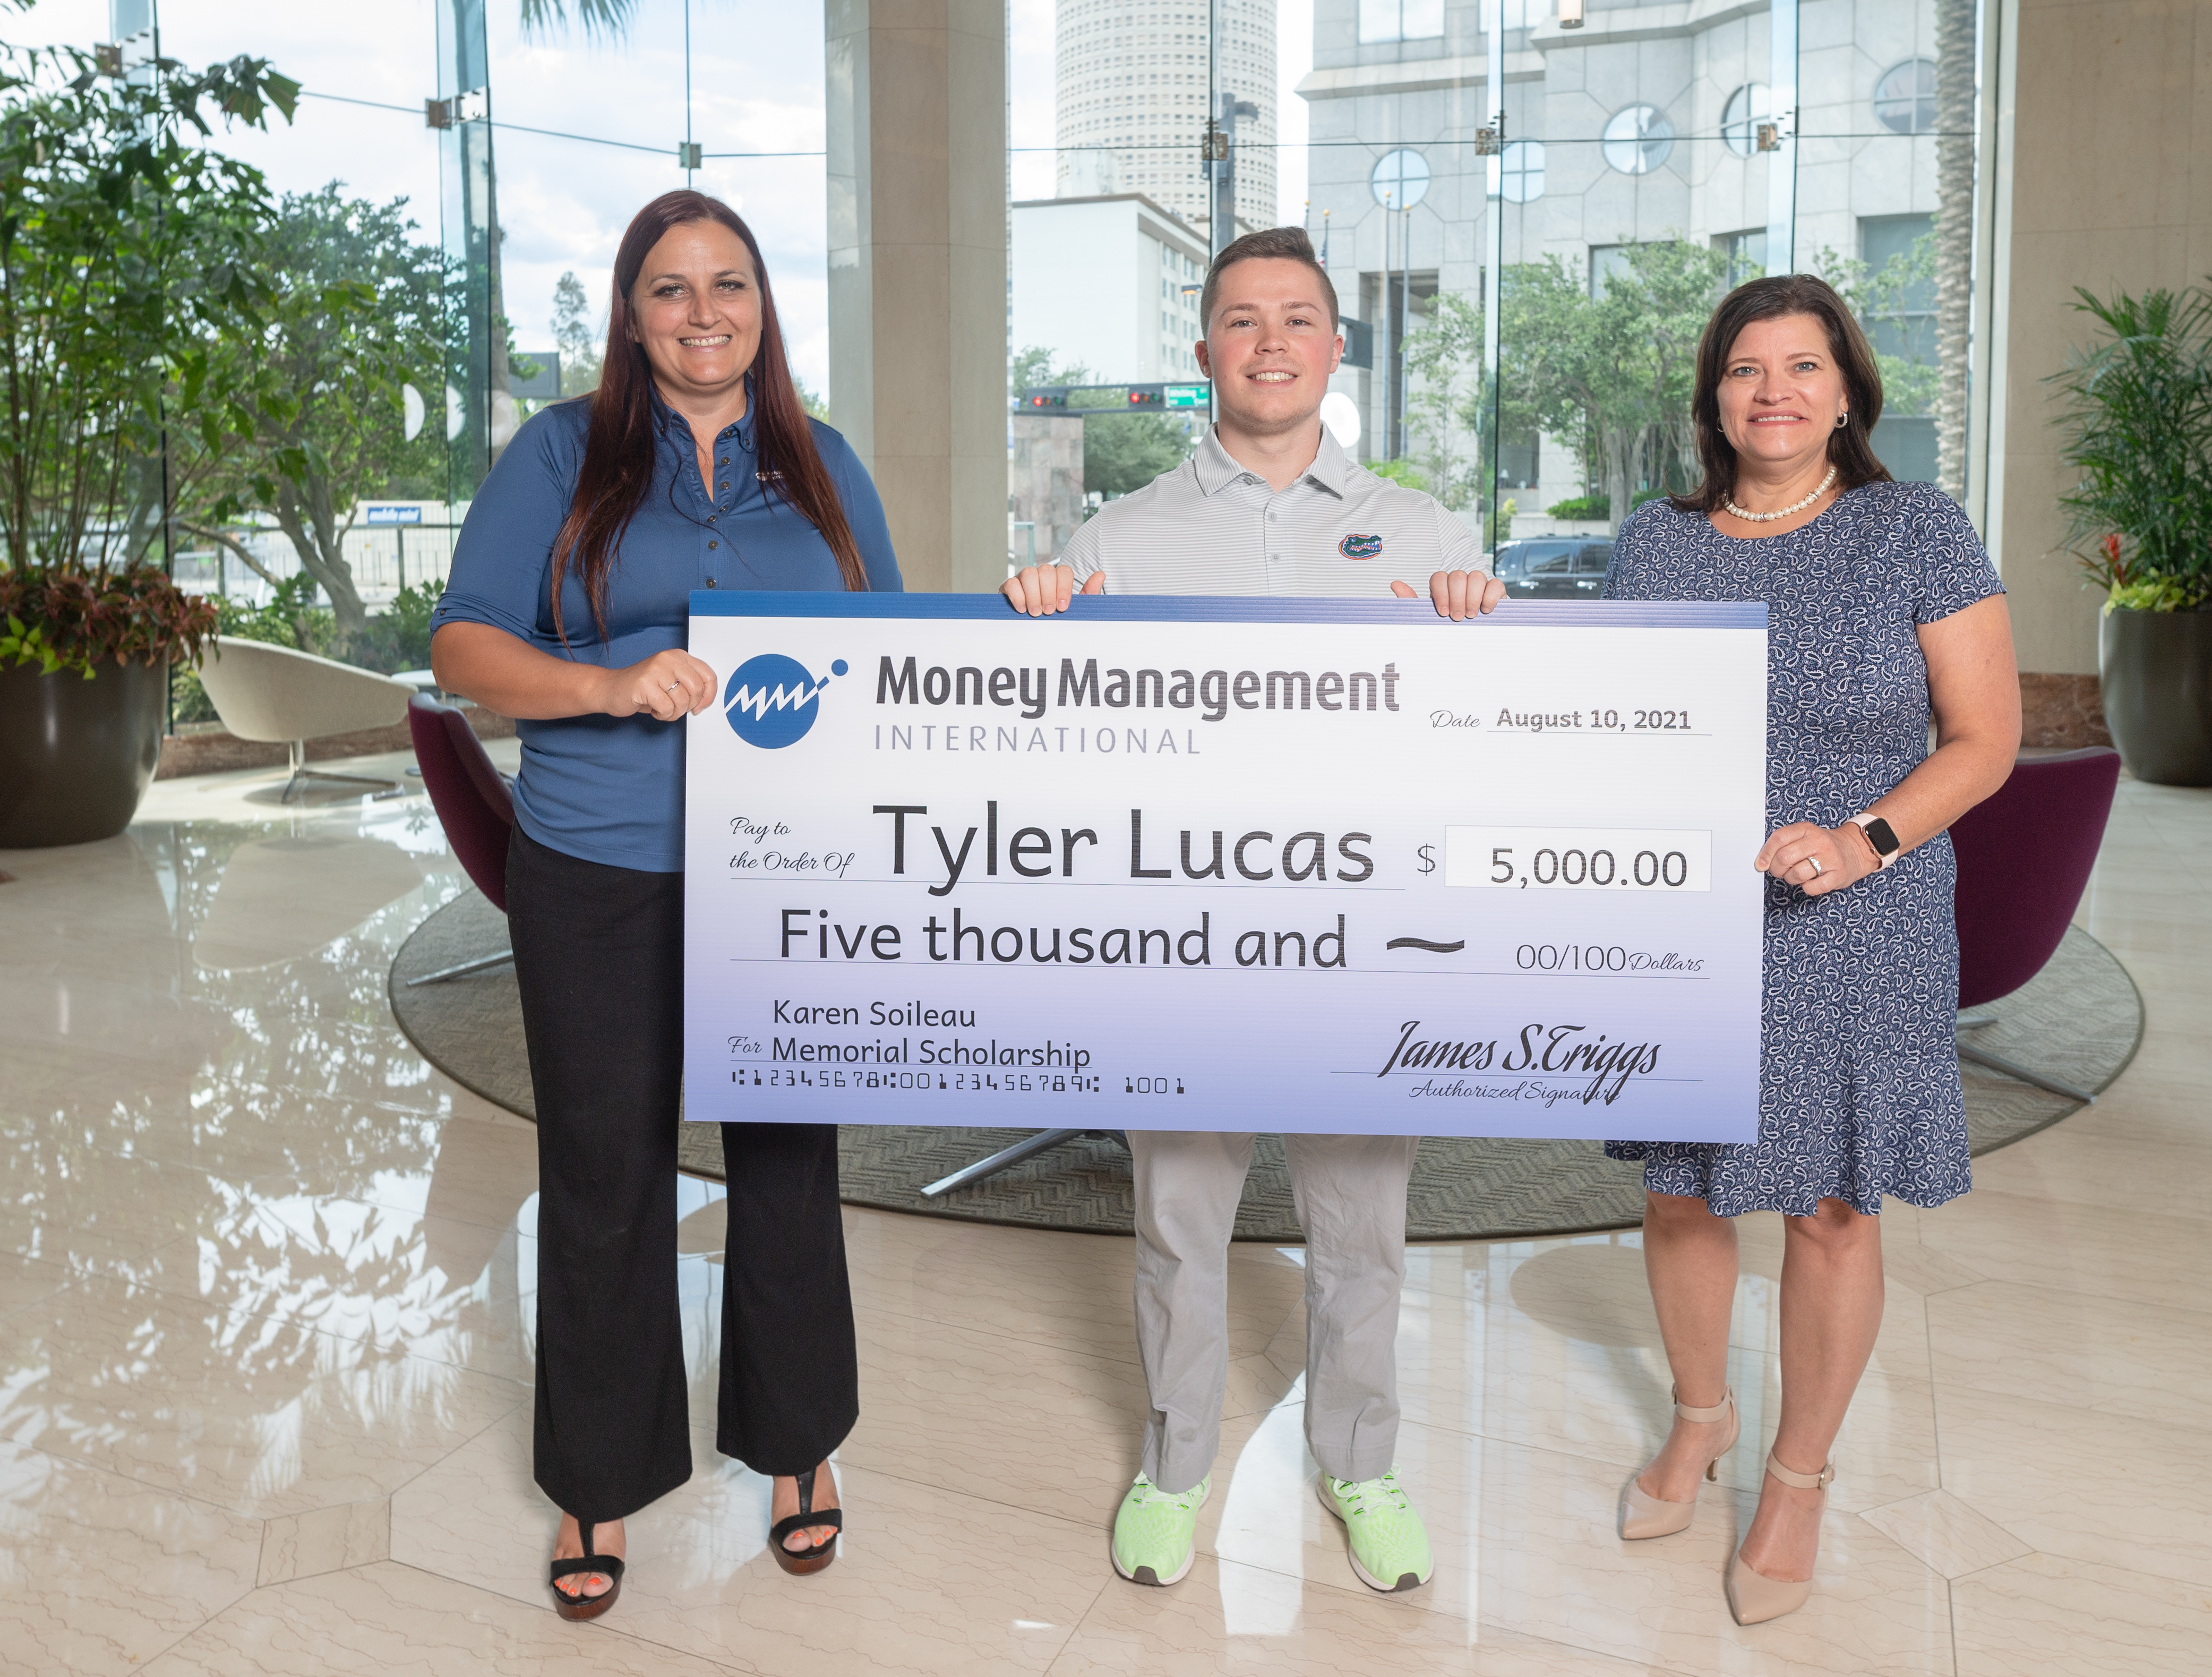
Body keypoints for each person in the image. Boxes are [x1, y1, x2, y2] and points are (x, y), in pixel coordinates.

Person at [1000, 224, 1503, 1596]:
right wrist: (1041, 615)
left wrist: (1480, 625)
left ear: (1335, 347)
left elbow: (1486, 736)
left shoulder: (1425, 533)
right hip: (1187, 943)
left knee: (1362, 1229)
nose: (1270, 342)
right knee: (1178, 1221)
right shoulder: (1123, 533)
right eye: (1241, 320)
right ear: (1206, 350)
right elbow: (1050, 736)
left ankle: (1363, 1458)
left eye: (1297, 318)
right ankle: (1175, 1463)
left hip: (1362, 940)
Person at [430, 190, 902, 1621]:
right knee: (601, 1168)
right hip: (598, 866)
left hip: (786, 870)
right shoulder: (561, 453)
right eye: (673, 288)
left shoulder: (821, 466)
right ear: (632, 316)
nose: (706, 311)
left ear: (765, 309)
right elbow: (462, 646)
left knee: (784, 1158)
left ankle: (799, 1444)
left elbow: (890, 655)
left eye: (733, 285)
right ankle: (596, 1475)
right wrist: (607, 680)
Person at [1597, 273, 2019, 1625]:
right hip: (1686, 913)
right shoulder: (1652, 543)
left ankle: (1797, 1474)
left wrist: (1861, 839)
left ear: (1845, 389)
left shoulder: (1916, 531)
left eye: (1800, 365)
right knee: (1681, 1190)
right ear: (1713, 396)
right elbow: (1594, 723)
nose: (1770, 390)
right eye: (1743, 369)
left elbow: (1984, 740)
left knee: (1828, 1205)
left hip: (1860, 913)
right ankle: (1701, 1416)